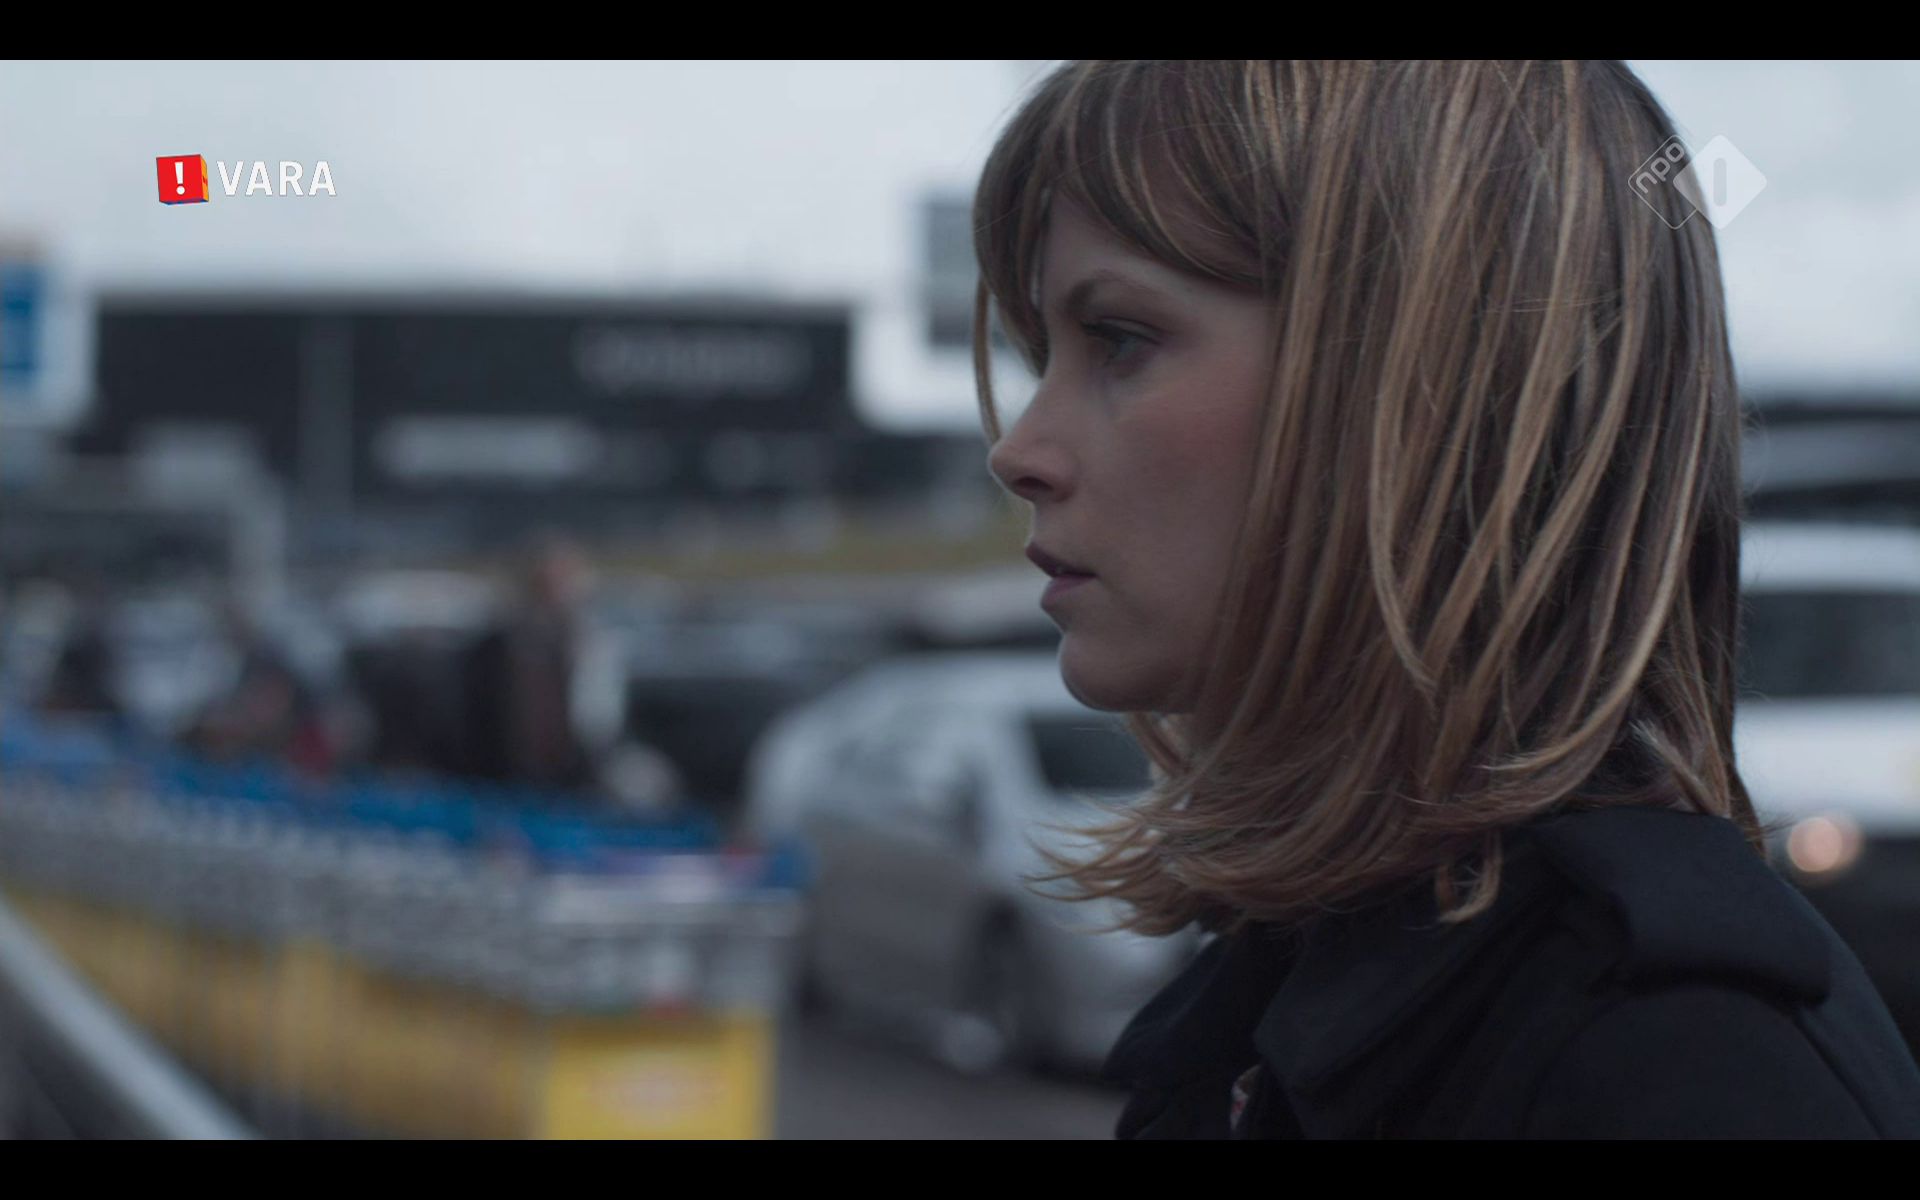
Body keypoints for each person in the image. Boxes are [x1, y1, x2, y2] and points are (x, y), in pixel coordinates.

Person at [975, 60, 1920, 1138]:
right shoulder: (1295, 974)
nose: (1019, 450)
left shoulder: (1684, 1071)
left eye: (1120, 338)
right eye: (1040, 351)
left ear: (1433, 386)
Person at [458, 533, 625, 798]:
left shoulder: (591, 644)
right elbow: (475, 714)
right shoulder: (496, 646)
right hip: (505, 778)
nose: (555, 594)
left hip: (575, 777)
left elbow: (600, 716)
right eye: (545, 584)